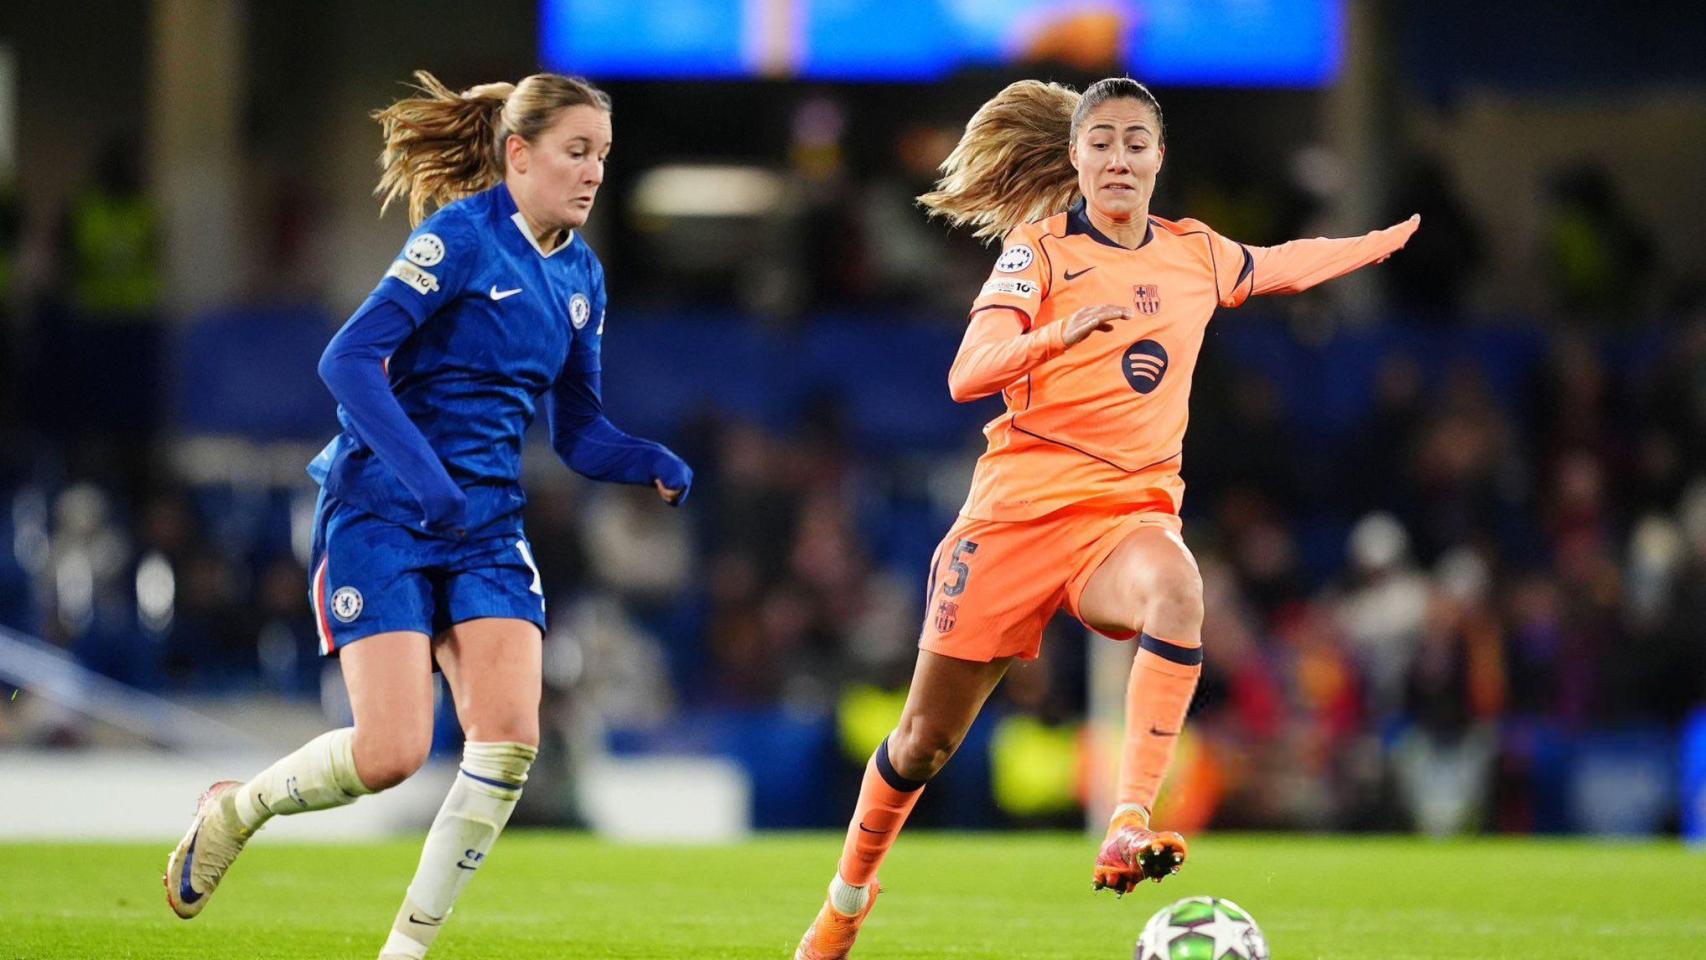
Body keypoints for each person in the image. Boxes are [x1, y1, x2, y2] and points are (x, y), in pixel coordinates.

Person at [795, 77, 1417, 959]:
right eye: (1102, 143)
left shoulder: (1197, 254)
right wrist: (1058, 334)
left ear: (1159, 158)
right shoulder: (1038, 253)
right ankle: (844, 906)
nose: (1119, 158)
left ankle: (1128, 821)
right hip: (1015, 515)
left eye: (1136, 142)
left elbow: (1283, 261)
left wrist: (1374, 244)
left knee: (1176, 584)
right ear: (1078, 159)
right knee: (925, 743)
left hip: (1122, 519)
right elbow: (966, 375)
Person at [163, 71, 692, 960]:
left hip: (484, 524)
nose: (595, 172)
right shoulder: (460, 237)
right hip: (384, 508)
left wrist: (647, 460)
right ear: (517, 156)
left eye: (603, 154)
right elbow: (347, 361)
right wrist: (428, 481)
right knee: (392, 753)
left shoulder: (583, 277)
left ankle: (404, 952)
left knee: (510, 740)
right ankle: (235, 810)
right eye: (576, 151)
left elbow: (579, 428)